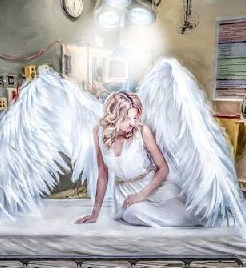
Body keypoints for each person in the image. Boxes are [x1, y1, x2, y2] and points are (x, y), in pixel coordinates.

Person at [75, 91, 202, 227]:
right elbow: (102, 174)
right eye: (127, 118)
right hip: (124, 195)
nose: (132, 123)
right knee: (133, 213)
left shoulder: (142, 131)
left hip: (154, 188)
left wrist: (141, 195)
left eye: (135, 118)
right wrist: (95, 213)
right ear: (114, 115)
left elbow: (163, 168)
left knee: (189, 215)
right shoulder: (99, 132)